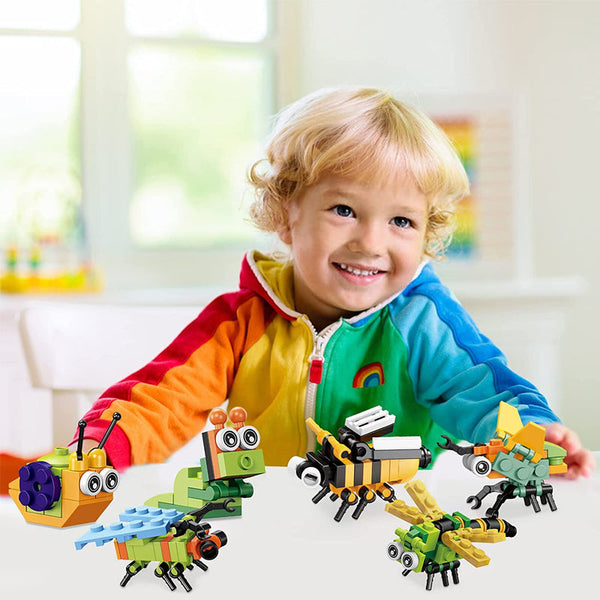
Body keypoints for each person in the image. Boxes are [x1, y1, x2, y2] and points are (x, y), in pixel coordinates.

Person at [75, 87, 594, 478]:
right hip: (268, 533)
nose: (370, 242)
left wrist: (533, 440)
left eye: (401, 221)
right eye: (344, 210)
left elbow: (483, 392)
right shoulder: (240, 323)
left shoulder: (422, 322)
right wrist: (93, 453)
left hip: (392, 532)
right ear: (286, 213)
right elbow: (159, 400)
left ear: (426, 234)